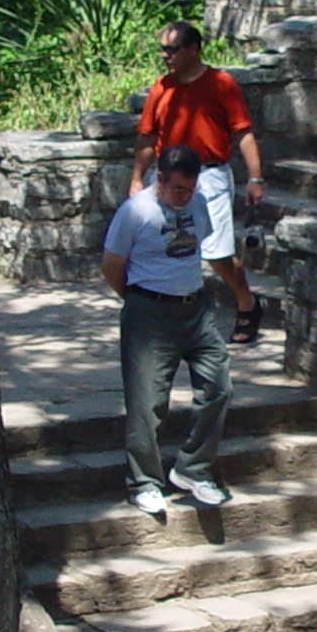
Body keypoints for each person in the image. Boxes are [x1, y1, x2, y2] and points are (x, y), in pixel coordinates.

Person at [100, 142, 232, 517]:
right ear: (160, 180)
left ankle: (193, 468)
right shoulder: (135, 212)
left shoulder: (197, 203)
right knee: (148, 403)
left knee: (219, 387)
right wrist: (139, 300)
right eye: (177, 189)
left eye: (189, 190)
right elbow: (111, 265)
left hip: (196, 309)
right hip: (149, 312)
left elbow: (199, 245)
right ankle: (144, 482)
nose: (184, 197)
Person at [131, 20, 267, 345]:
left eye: (173, 49)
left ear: (193, 49)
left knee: (217, 252)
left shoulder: (221, 84)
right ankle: (171, 317)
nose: (166, 55)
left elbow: (243, 132)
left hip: (209, 175)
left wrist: (255, 177)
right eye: (163, 49)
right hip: (167, 177)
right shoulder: (161, 88)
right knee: (166, 247)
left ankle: (247, 302)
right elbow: (147, 139)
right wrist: (137, 178)